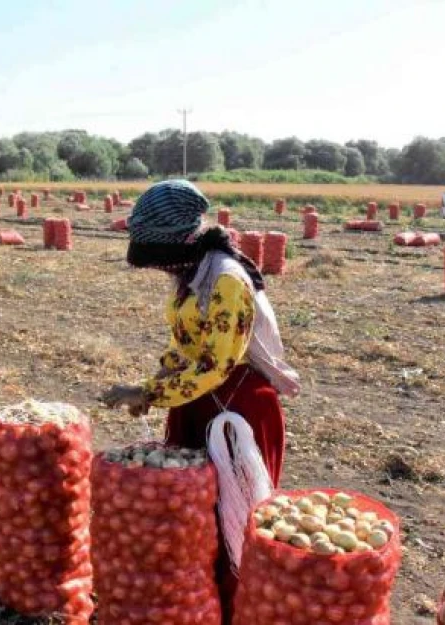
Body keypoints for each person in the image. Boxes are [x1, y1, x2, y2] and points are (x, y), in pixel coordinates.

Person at [100, 179, 297, 623]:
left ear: (179, 242)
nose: (157, 268)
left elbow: (214, 366)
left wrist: (148, 393)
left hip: (237, 409)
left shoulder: (227, 281)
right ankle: (195, 607)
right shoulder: (193, 271)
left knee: (233, 514)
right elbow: (186, 345)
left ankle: (234, 610)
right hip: (197, 402)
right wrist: (154, 384)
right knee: (196, 516)